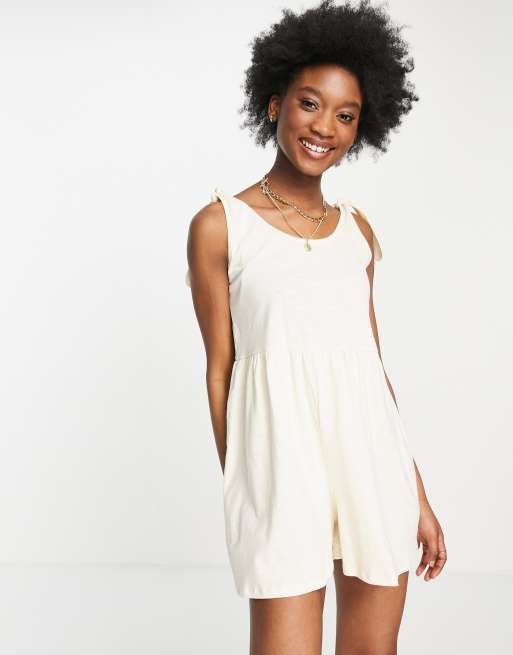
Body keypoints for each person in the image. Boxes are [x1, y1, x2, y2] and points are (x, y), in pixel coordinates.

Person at [185, 0, 447, 652]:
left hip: (373, 468)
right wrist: (247, 489)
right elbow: (219, 371)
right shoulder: (220, 226)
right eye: (309, 104)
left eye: (345, 115)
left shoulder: (357, 231)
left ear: (362, 127)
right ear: (274, 104)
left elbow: (372, 369)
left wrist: (416, 494)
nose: (324, 127)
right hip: (280, 474)